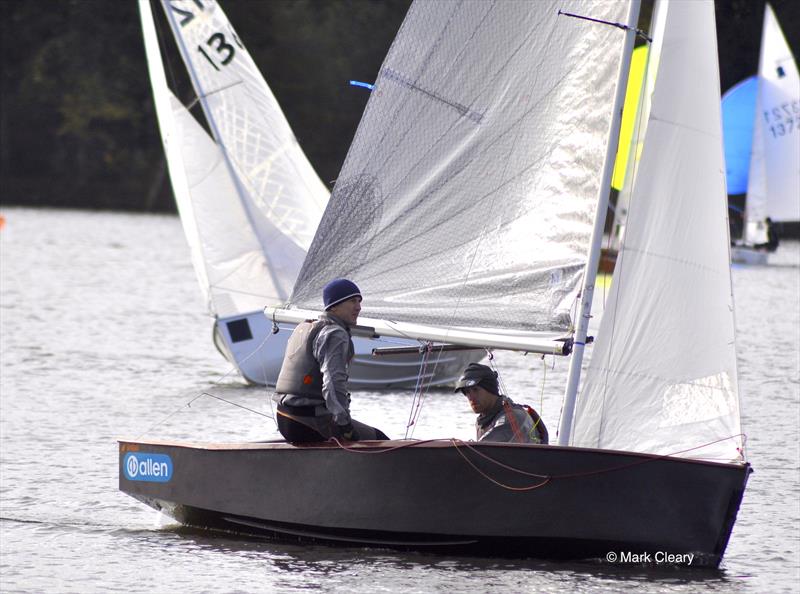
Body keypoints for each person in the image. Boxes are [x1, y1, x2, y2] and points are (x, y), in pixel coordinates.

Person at [274, 278, 389, 443]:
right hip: (309, 421)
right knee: (380, 440)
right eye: (352, 301)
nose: (358, 307)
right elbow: (333, 383)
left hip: (285, 418)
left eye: (359, 301)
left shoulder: (306, 328)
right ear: (333, 306)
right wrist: (345, 425)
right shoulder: (335, 334)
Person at [454, 362, 548, 444]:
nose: (470, 397)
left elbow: (481, 450)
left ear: (490, 389)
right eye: (466, 392)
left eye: (475, 390)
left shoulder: (512, 417)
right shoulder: (483, 420)